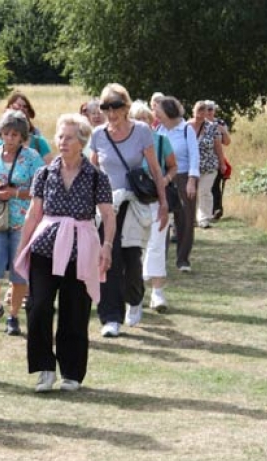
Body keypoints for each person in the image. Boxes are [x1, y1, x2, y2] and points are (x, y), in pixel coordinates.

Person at [15, 114, 115, 392]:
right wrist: (21, 249)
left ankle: (71, 373)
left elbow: (108, 214)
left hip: (81, 250)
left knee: (75, 312)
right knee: (38, 308)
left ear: (82, 142)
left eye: (69, 137)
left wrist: (107, 246)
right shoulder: (44, 174)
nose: (62, 142)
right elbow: (34, 214)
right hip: (45, 247)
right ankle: (44, 369)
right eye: (60, 136)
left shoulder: (96, 176)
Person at [89, 83, 168, 338]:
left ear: (126, 107)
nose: (110, 112)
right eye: (105, 107)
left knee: (132, 258)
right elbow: (92, 170)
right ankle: (110, 316)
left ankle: (134, 298)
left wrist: (164, 203)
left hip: (134, 203)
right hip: (106, 205)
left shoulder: (142, 131)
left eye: (115, 107)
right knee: (107, 260)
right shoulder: (98, 134)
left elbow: (156, 170)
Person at [0, 110, 45, 336]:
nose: (9, 138)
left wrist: (15, 193)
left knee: (19, 272)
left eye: (15, 135)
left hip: (22, 221)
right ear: (0, 134)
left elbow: (41, 190)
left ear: (22, 136)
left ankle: (13, 315)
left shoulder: (33, 158)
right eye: (6, 133)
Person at [130, 101, 177, 312]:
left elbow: (173, 166)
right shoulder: (125, 143)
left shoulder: (161, 140)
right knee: (134, 248)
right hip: (132, 200)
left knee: (157, 245)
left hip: (157, 199)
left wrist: (165, 180)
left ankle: (157, 293)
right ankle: (135, 293)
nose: (142, 124)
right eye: (137, 120)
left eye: (145, 119)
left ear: (152, 121)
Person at [155, 97, 200, 275]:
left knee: (185, 219)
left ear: (169, 111)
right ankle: (160, 259)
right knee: (161, 217)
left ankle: (183, 259)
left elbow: (194, 156)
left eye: (159, 110)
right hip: (164, 177)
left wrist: (192, 180)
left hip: (183, 176)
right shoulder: (159, 129)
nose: (156, 113)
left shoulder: (186, 129)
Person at [187, 100, 226, 230]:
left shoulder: (212, 127)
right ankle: (191, 218)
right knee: (192, 193)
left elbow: (218, 146)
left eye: (203, 111)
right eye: (198, 111)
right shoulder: (186, 126)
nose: (200, 114)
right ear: (193, 111)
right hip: (191, 167)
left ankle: (203, 218)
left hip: (209, 166)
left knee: (204, 191)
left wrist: (222, 163)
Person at [0, 91, 53, 163]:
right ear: (10, 107)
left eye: (25, 106)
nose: (22, 109)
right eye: (18, 105)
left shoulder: (36, 135)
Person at [204, 100, 231, 220]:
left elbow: (227, 142)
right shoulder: (198, 123)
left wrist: (223, 131)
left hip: (217, 158)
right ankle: (205, 212)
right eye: (207, 109)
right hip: (203, 159)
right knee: (204, 187)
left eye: (211, 109)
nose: (209, 111)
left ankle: (217, 209)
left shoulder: (220, 123)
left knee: (215, 186)